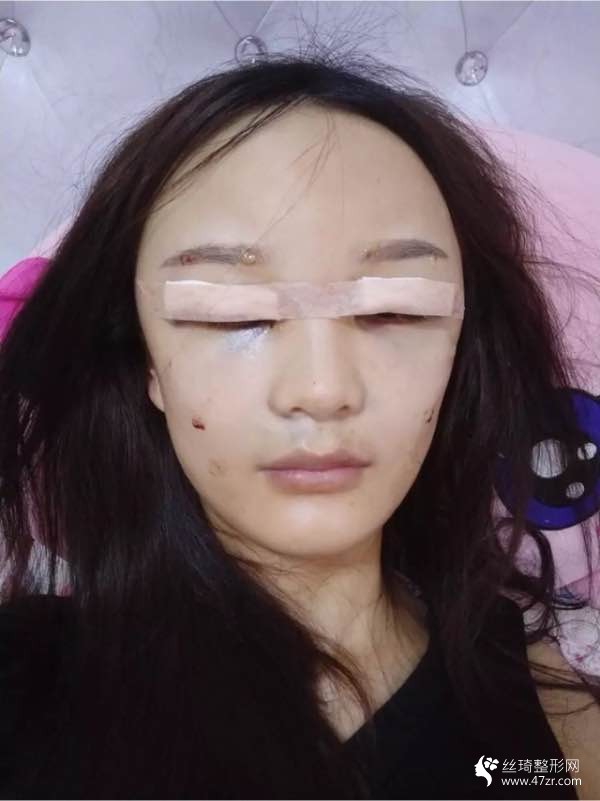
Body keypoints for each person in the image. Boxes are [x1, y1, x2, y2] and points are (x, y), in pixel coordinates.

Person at [0, 46, 599, 800]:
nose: (321, 389)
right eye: (231, 314)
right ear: (147, 362)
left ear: (459, 349)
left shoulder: (549, 720)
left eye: (395, 309)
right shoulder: (24, 692)